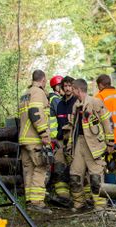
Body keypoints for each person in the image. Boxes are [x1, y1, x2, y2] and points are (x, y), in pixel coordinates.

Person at [67, 78, 114, 211]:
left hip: (94, 145)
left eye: (73, 89)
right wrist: (70, 145)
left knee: (95, 177)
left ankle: (100, 206)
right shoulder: (75, 106)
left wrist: (110, 143)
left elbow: (108, 123)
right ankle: (79, 203)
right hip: (79, 144)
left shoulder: (95, 102)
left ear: (78, 90)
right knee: (75, 176)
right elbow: (73, 128)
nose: (71, 91)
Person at [19, 70, 52, 214]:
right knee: (41, 167)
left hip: (24, 138)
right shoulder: (38, 92)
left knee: (29, 170)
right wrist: (44, 133)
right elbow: (35, 112)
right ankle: (37, 202)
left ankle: (29, 200)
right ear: (43, 80)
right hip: (35, 138)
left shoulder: (24, 94)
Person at [49, 76, 76, 206]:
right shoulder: (59, 104)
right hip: (60, 142)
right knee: (59, 168)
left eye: (70, 86)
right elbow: (57, 124)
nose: (67, 88)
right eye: (65, 86)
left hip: (75, 143)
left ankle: (83, 200)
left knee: (77, 171)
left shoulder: (77, 103)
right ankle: (63, 197)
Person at [48, 75, 63, 140]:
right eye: (62, 86)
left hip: (51, 133)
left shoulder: (51, 97)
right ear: (57, 87)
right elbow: (61, 116)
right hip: (55, 134)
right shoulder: (55, 99)